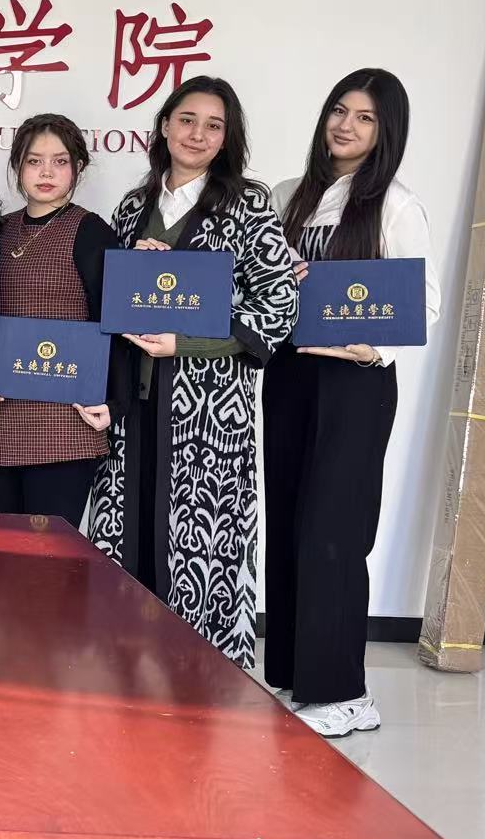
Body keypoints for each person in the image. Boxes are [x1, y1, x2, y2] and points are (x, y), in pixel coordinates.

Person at [87, 75, 298, 670]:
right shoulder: (133, 207)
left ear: (227, 138)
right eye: (186, 120)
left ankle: (200, 671)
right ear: (164, 126)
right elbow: (113, 303)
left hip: (208, 408)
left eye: (213, 125)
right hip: (134, 403)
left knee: (198, 538)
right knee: (131, 525)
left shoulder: (248, 204)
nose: (197, 134)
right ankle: (127, 663)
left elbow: (278, 306)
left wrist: (185, 342)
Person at [266, 69, 439, 737]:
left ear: (385, 132)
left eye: (365, 117)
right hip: (290, 375)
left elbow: (423, 303)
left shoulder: (394, 204)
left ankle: (344, 692)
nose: (346, 125)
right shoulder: (288, 195)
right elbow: (257, 282)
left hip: (356, 383)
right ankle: (294, 673)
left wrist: (370, 349)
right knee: (289, 519)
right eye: (339, 110)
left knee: (335, 530)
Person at [0, 114, 127, 527]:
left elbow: (114, 324)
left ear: (78, 167)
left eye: (59, 161)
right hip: (4, 416)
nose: (46, 172)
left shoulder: (90, 231)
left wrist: (115, 403)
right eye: (34, 161)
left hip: (67, 420)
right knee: (12, 548)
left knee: (51, 553)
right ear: (17, 166)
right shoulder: (0, 231)